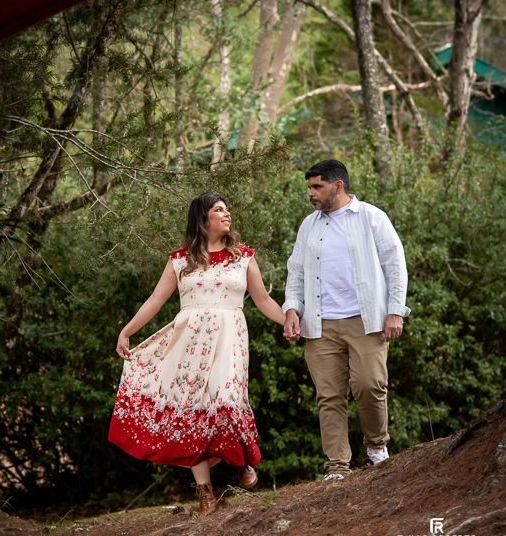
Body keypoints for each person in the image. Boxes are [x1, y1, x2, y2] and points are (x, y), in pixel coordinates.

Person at [109, 193, 286, 515]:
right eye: (219, 210)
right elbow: (155, 300)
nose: (227, 214)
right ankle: (205, 494)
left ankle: (243, 459)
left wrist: (288, 319)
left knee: (227, 401)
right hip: (188, 346)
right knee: (194, 414)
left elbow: (262, 301)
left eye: (227, 209)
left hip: (230, 341)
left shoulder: (243, 257)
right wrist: (127, 331)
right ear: (202, 219)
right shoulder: (180, 260)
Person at [282, 159, 408, 480]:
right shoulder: (309, 224)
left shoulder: (371, 217)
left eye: (317, 187)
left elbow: (395, 264)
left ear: (337, 186)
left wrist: (396, 310)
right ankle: (337, 466)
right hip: (320, 325)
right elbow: (295, 272)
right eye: (309, 187)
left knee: (370, 385)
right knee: (329, 397)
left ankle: (377, 448)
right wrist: (292, 310)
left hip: (366, 320)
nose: (310, 193)